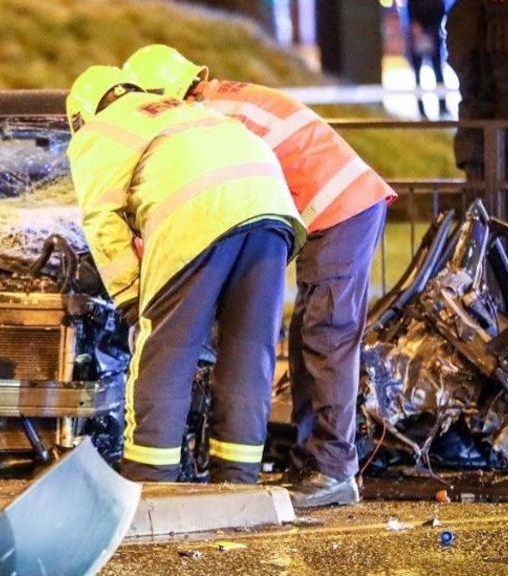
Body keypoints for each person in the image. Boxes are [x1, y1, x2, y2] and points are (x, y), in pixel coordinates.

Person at [125, 45, 396, 507]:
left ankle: (332, 471)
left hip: (339, 205)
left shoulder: (203, 118)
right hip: (342, 200)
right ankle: (317, 464)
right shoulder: (222, 101)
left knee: (324, 336)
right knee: (311, 333)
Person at [65, 65, 305, 484]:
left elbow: (103, 223)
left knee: (165, 354)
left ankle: (150, 481)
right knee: (249, 352)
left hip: (197, 212)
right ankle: (238, 479)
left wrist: (130, 299)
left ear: (81, 117)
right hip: (270, 208)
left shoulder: (98, 131)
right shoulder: (179, 109)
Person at [447, 0, 508, 236]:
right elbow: (471, 80)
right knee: (503, 248)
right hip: (498, 146)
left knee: (505, 248)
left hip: (498, 141)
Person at [405, 0, 448, 118]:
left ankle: (442, 105)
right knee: (419, 74)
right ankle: (422, 109)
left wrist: (432, 27)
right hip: (419, 35)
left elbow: (440, 10)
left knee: (437, 72)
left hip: (432, 34)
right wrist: (416, 27)